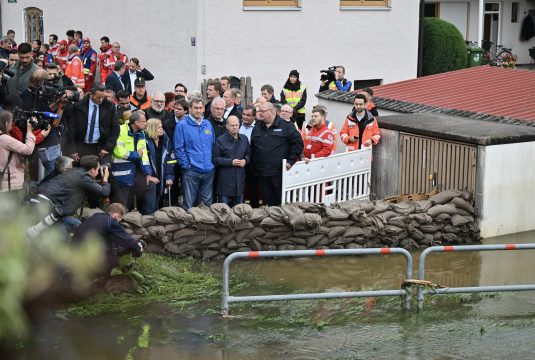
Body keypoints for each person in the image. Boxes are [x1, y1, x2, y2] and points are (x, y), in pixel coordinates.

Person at [27, 155, 111, 238]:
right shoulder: (83, 177)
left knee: (75, 224)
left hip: (42, 203)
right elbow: (104, 192)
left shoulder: (74, 172)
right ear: (92, 170)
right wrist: (105, 179)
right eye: (98, 168)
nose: (98, 171)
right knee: (61, 238)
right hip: (48, 207)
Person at [250, 102, 303, 206]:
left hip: (278, 173)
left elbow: (298, 144)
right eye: (259, 111)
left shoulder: (286, 126)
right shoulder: (257, 127)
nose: (260, 113)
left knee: (280, 203)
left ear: (272, 112)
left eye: (262, 111)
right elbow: (253, 148)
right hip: (262, 173)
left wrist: (290, 161)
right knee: (267, 201)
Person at [72, 202, 144, 276]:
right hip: (90, 258)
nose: (119, 222)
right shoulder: (111, 221)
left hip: (74, 253)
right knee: (117, 258)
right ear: (117, 215)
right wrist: (138, 248)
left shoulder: (96, 217)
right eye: (120, 219)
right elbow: (126, 240)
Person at [110, 111, 157, 213]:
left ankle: (147, 216)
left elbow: (144, 156)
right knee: (122, 203)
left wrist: (148, 174)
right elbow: (120, 152)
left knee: (150, 185)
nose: (146, 124)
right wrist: (136, 154)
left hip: (134, 172)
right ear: (136, 122)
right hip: (120, 173)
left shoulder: (141, 134)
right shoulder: (120, 130)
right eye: (144, 121)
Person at [174, 97, 215, 209]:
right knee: (189, 203)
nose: (198, 110)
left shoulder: (207, 124)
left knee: (206, 204)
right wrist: (186, 165)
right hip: (191, 171)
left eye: (200, 108)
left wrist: (211, 163)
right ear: (189, 109)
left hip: (208, 170)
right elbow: (178, 148)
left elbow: (212, 144)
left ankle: (205, 226)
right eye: (195, 108)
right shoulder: (182, 125)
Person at [63, 82, 119, 165]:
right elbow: (71, 129)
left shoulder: (109, 106)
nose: (101, 100)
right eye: (98, 97)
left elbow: (115, 128)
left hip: (101, 148)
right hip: (81, 146)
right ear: (91, 94)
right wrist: (72, 149)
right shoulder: (78, 106)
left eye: (103, 97)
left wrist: (107, 147)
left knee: (100, 172)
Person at [213, 116, 249, 207]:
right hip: (225, 182)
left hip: (239, 181)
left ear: (239, 125)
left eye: (236, 125)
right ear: (227, 126)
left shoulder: (244, 139)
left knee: (238, 210)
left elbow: (248, 154)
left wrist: (245, 160)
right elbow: (215, 159)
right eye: (232, 125)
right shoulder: (220, 140)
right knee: (224, 211)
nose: (235, 127)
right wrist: (231, 162)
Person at [0, 111, 36, 194]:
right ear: (6, 123)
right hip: (10, 184)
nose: (12, 124)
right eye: (11, 121)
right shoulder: (4, 139)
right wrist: (29, 131)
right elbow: (28, 149)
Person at [145, 118, 176, 210]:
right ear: (152, 129)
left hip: (162, 177)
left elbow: (171, 160)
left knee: (160, 202)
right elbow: (143, 161)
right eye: (159, 128)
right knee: (149, 204)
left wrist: (169, 176)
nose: (162, 129)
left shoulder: (165, 140)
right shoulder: (144, 141)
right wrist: (148, 175)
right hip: (150, 178)